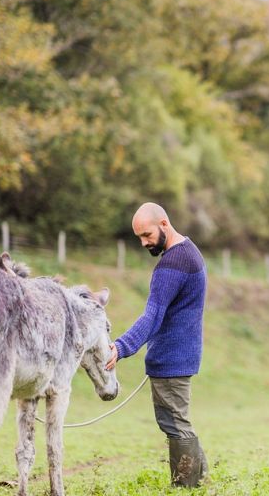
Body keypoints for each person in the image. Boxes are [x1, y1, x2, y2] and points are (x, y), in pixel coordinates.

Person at [105, 202, 208, 487]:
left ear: (164, 224)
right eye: (139, 237)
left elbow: (152, 315)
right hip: (179, 356)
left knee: (175, 425)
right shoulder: (190, 251)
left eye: (147, 235)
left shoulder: (173, 264)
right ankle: (201, 480)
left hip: (172, 360)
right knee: (178, 422)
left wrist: (121, 346)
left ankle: (186, 487)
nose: (143, 242)